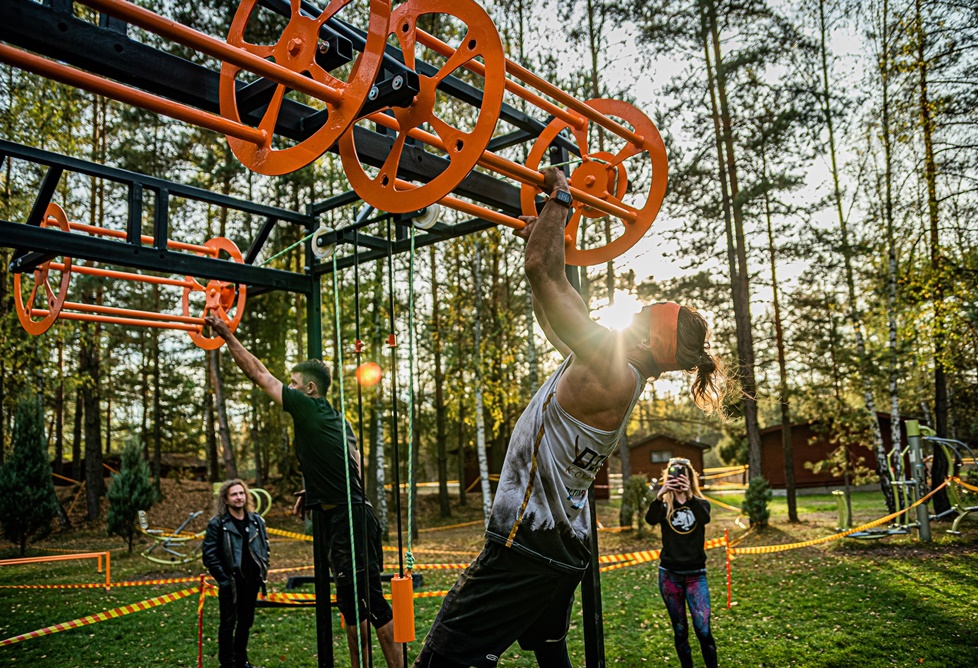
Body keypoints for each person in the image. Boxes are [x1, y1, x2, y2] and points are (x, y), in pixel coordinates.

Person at [413, 167, 725, 668]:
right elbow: (549, 303)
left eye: (644, 315)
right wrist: (540, 232)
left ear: (647, 340)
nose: (637, 311)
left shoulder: (610, 365)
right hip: (559, 549)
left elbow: (543, 270)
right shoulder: (610, 365)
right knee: (551, 654)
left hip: (526, 548)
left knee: (442, 660)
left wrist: (561, 197)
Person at [205, 315, 403, 668]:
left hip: (349, 518)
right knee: (351, 602)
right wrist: (311, 489)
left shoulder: (307, 407)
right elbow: (353, 465)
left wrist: (226, 334)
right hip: (349, 513)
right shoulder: (335, 419)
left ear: (310, 389)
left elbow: (259, 375)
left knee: (368, 602)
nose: (289, 387)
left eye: (294, 383)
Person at [645, 458, 718, 668]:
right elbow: (650, 519)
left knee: (703, 629)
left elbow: (704, 519)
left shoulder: (700, 503)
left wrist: (689, 496)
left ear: (690, 478)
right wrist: (659, 496)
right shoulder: (664, 506)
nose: (678, 480)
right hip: (670, 576)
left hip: (696, 575)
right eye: (674, 475)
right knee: (680, 630)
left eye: (682, 476)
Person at [203, 478, 270, 668]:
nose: (239, 497)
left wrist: (262, 572)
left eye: (241, 493)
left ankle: (241, 661)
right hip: (231, 583)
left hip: (252, 581)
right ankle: (227, 663)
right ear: (225, 499)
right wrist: (224, 580)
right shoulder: (218, 524)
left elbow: (265, 547)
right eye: (234, 494)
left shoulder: (256, 520)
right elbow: (209, 555)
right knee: (228, 625)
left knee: (245, 624)